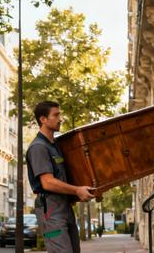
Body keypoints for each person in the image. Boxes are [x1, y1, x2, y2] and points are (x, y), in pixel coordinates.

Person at [26, 101, 95, 253]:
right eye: (56, 115)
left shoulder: (54, 145)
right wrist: (76, 190)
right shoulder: (38, 147)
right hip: (50, 210)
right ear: (43, 119)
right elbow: (48, 183)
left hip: (64, 206)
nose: (60, 119)